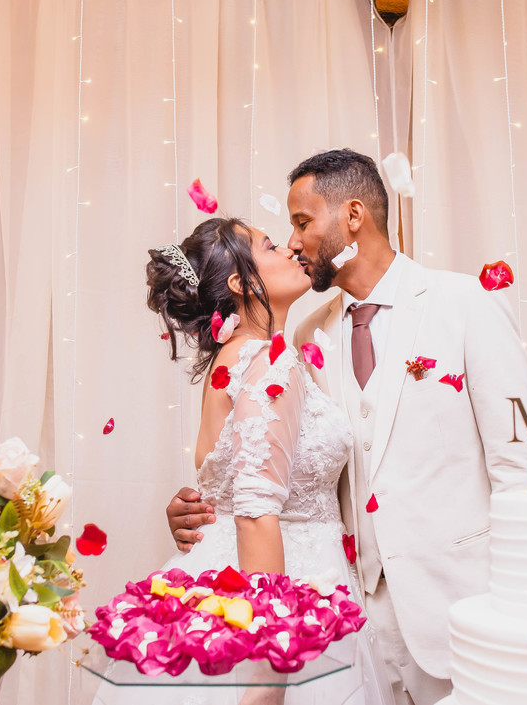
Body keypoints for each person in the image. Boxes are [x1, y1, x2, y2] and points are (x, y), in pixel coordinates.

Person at [167, 149, 527, 705]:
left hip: (461, 609)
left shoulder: (465, 303)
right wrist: (205, 507)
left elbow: (516, 469)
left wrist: (517, 601)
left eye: (302, 222)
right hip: (353, 621)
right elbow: (274, 462)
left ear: (354, 216)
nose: (293, 242)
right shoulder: (306, 336)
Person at [136, 216, 394, 704]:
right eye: (271, 245)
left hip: (232, 575)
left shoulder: (232, 359)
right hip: (282, 587)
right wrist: (267, 670)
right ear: (240, 283)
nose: (291, 250)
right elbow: (254, 510)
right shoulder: (269, 359)